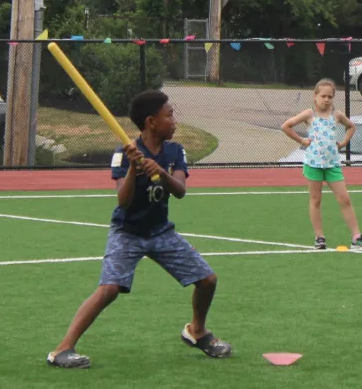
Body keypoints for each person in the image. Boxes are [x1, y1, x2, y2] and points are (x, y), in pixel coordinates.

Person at [46, 90, 231, 369]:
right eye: (169, 115)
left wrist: (161, 171)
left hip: (161, 232)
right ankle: (62, 350)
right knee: (109, 289)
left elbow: (180, 191)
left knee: (207, 280)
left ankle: (197, 331)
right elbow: (123, 200)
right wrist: (135, 169)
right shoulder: (123, 154)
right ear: (151, 122)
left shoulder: (175, 151)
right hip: (128, 232)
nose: (175, 120)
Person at [281, 79, 362, 250]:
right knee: (316, 200)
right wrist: (302, 140)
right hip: (313, 164)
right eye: (323, 96)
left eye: (330, 97)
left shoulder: (336, 115)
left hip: (332, 164)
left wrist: (344, 142)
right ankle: (319, 237)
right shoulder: (309, 114)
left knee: (344, 199)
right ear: (315, 96)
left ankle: (356, 237)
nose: (326, 99)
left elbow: (351, 127)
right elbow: (286, 126)